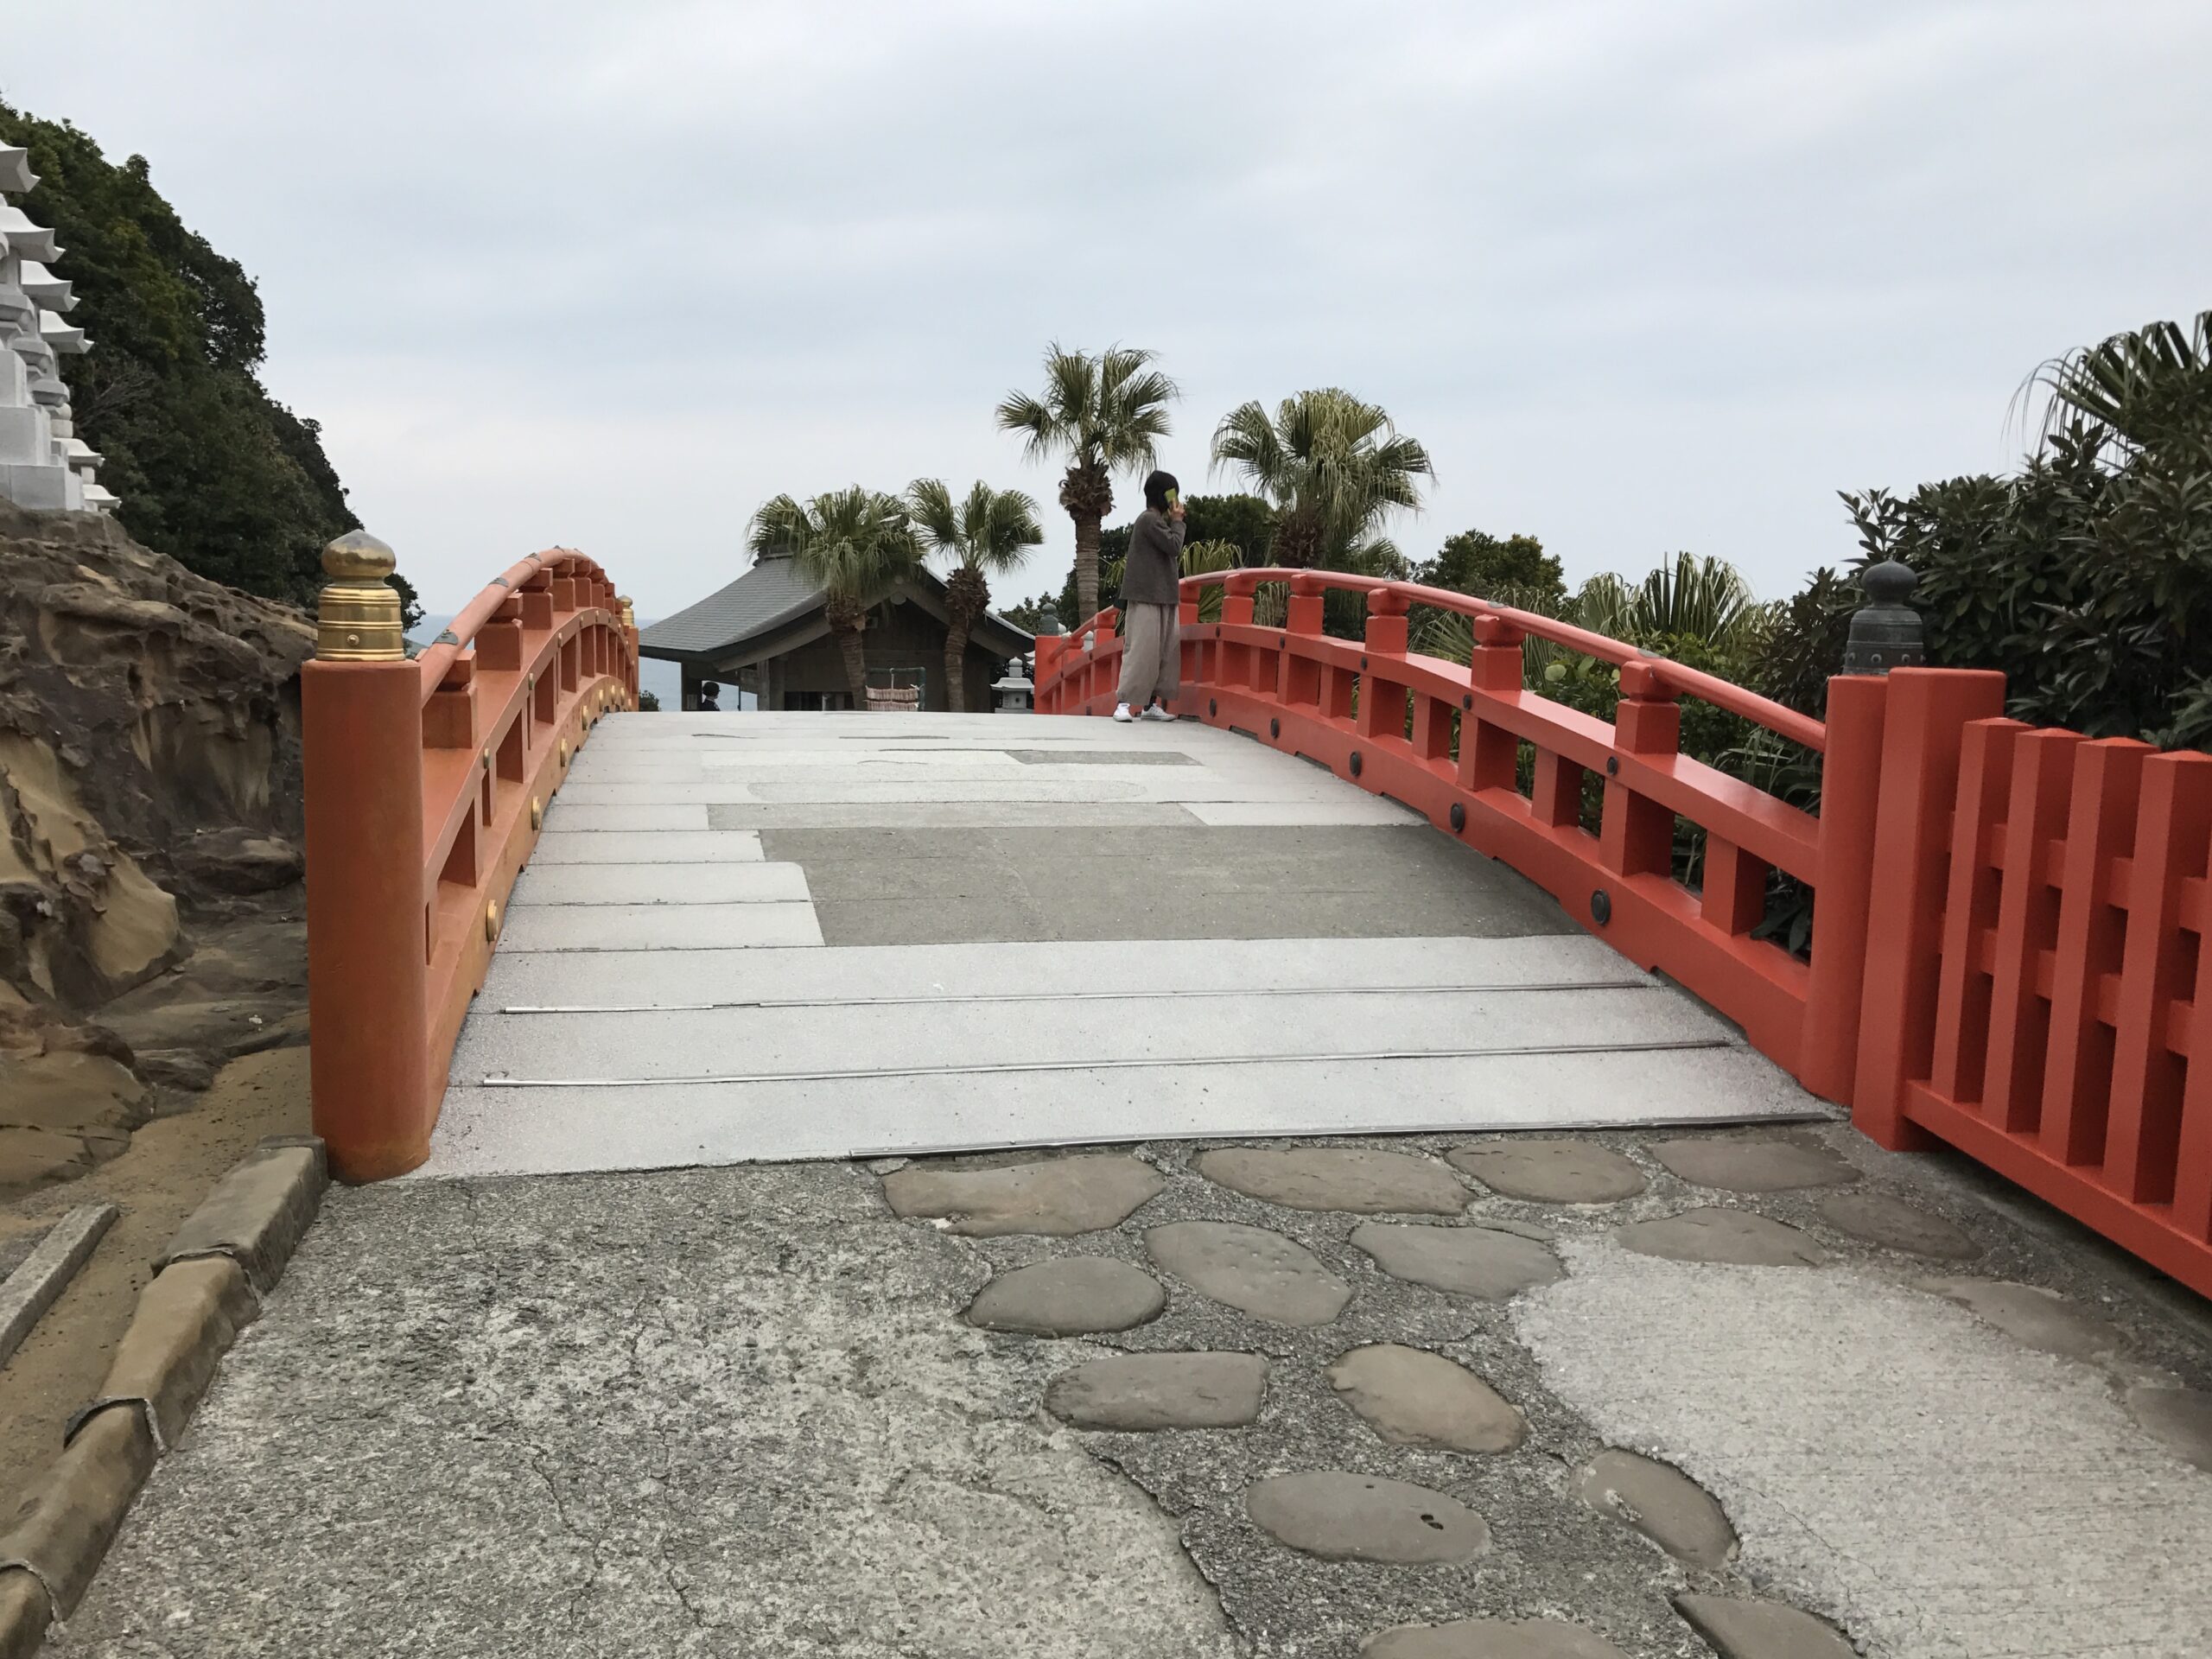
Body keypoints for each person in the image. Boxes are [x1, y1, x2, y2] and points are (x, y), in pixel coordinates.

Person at [1114, 469, 1185, 723]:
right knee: (1141, 650)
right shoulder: (1148, 520)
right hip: (1146, 596)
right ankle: (1123, 703)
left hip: (1164, 596)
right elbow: (1174, 546)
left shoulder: (1157, 522)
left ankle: (1149, 704)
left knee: (1163, 652)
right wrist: (1178, 521)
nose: (1175, 500)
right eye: (1172, 494)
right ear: (1163, 495)